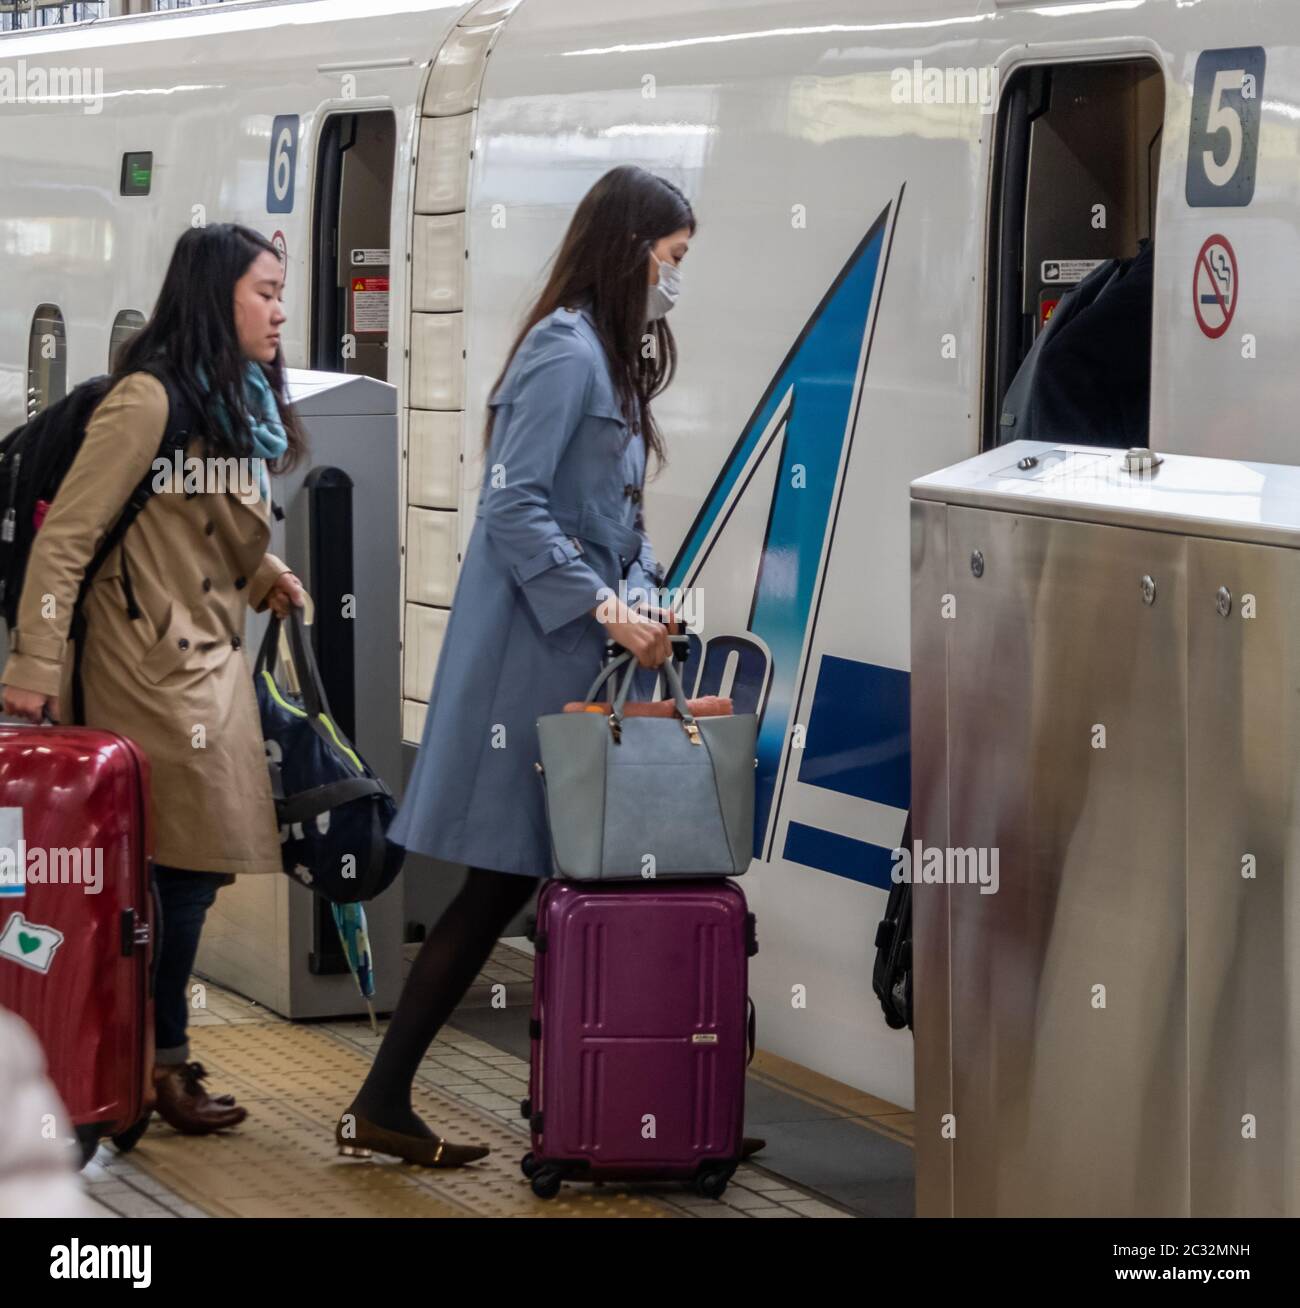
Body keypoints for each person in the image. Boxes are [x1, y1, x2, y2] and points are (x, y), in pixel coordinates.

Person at [339, 165, 764, 1168]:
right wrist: (610, 608)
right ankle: (406, 1101)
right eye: (672, 261)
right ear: (630, 250)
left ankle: (600, 1105)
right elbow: (513, 505)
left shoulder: (607, 359)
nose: (675, 284)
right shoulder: (563, 354)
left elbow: (619, 521)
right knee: (497, 886)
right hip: (522, 673)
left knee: (532, 884)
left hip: (570, 665)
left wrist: (648, 593)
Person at [1, 223, 308, 1135]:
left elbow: (202, 518)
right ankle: (153, 1060)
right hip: (144, 669)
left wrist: (264, 577)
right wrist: (33, 666)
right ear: (217, 297)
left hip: (203, 657)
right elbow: (69, 540)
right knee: (176, 872)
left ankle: (144, 1051)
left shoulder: (231, 397)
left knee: (188, 873)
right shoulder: (148, 400)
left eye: (282, 290)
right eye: (264, 291)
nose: (280, 309)